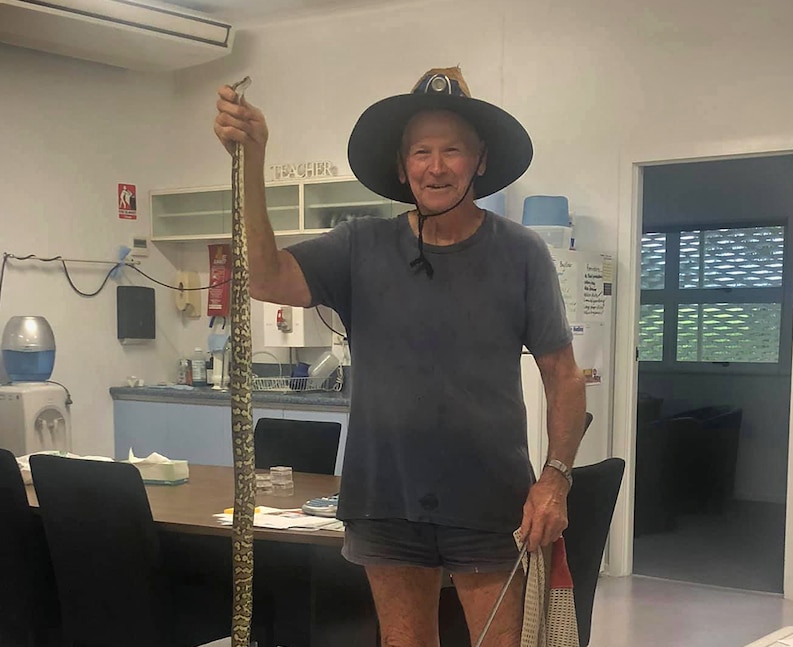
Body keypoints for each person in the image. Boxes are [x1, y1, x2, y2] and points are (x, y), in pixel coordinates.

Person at [214, 66, 587, 647]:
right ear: (402, 165)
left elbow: (563, 375)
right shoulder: (361, 245)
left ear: (480, 160)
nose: (436, 167)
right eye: (421, 152)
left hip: (489, 498)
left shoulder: (521, 254)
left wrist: (555, 480)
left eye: (452, 150)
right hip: (385, 496)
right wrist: (253, 158)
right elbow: (265, 276)